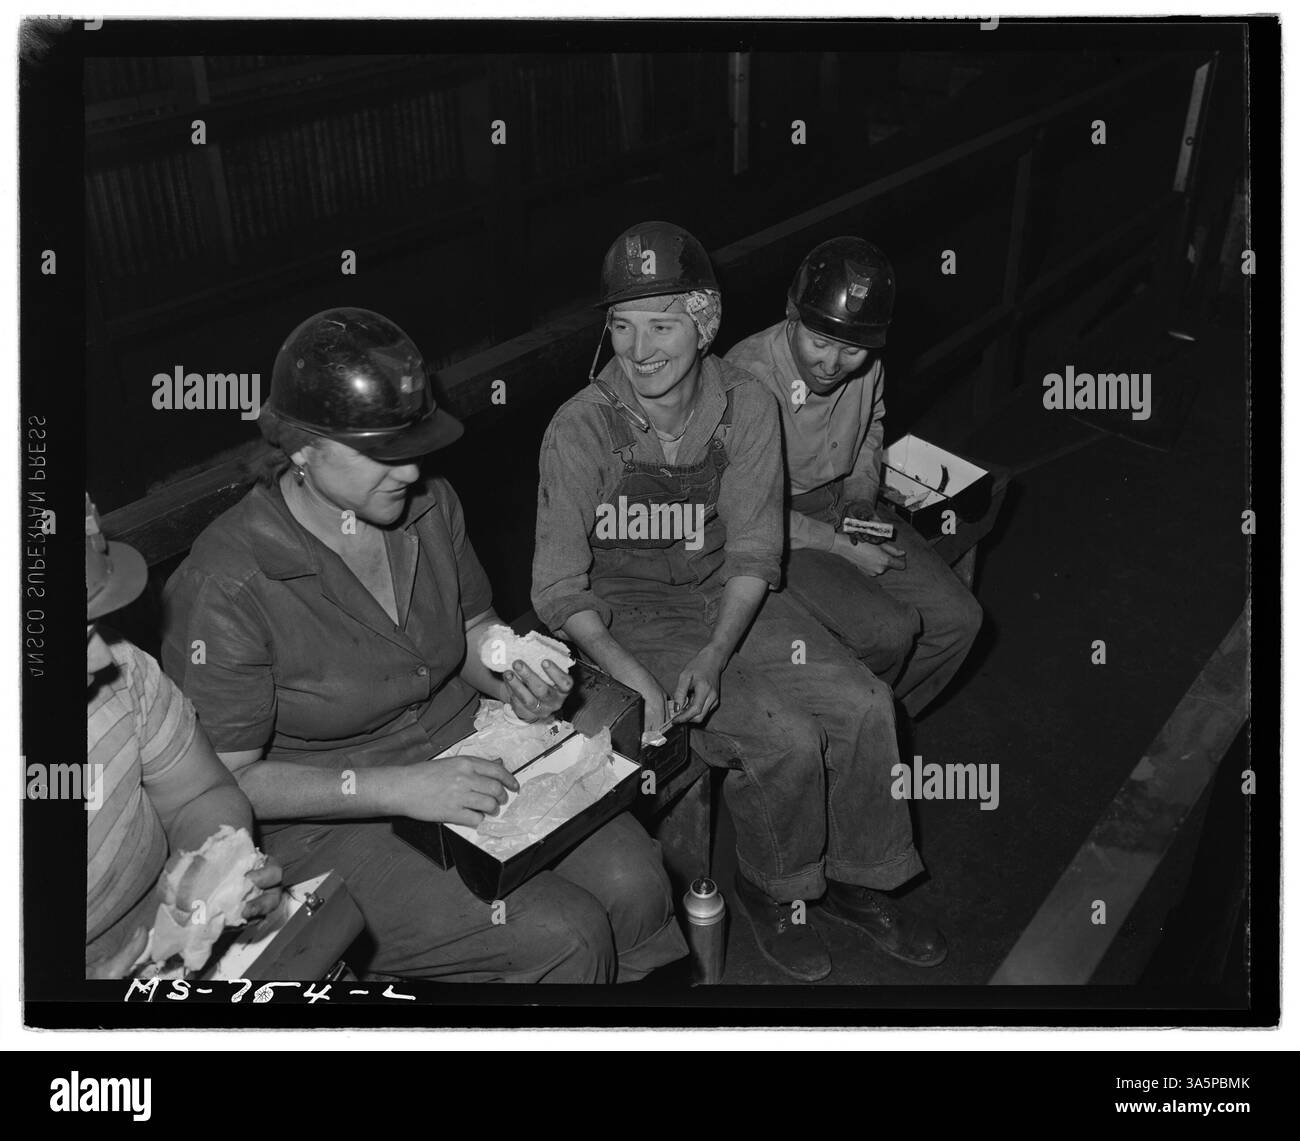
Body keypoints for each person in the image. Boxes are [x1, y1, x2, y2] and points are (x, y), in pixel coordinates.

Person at [161, 307, 686, 983]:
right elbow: (226, 782)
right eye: (382, 453)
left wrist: (517, 674)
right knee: (564, 935)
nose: (410, 472)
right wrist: (403, 787)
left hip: (467, 751)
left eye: (413, 445)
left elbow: (473, 630)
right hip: (338, 819)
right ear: (301, 447)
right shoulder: (226, 580)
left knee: (636, 877)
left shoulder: (431, 503)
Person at [532, 221, 946, 981]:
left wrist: (719, 652)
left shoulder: (745, 403)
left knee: (864, 705)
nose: (639, 347)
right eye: (622, 325)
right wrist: (634, 674)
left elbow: (757, 549)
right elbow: (558, 587)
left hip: (730, 594)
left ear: (704, 322)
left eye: (663, 324)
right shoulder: (579, 428)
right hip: (630, 617)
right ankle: (775, 890)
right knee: (781, 736)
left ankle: (863, 877)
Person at [726, 237, 984, 719]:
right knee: (888, 633)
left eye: (851, 350)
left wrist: (860, 500)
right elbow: (747, 511)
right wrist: (841, 545)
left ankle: (886, 723)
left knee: (959, 620)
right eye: (819, 341)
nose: (831, 363)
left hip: (843, 500)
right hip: (775, 524)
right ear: (792, 313)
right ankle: (853, 729)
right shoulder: (748, 380)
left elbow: (871, 429)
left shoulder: (868, 364)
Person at [86, 494, 283, 980]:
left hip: (166, 933)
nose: (100, 659)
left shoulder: (122, 665)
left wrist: (214, 877)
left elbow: (200, 793)